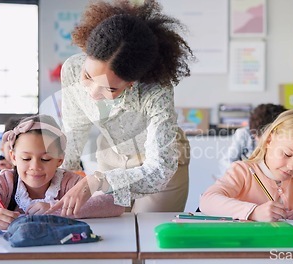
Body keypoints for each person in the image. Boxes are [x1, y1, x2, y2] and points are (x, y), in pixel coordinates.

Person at [49, 0, 194, 215]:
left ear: (132, 82)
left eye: (109, 89)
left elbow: (160, 167)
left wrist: (97, 181)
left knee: (147, 236)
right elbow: (75, 129)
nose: (93, 94)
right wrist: (57, 183)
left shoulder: (156, 90)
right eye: (88, 76)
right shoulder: (72, 68)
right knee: (109, 235)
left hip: (160, 169)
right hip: (112, 159)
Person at [0, 115, 124, 229]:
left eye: (46, 159)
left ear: (59, 160)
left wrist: (55, 210)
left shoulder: (68, 183)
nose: (35, 167)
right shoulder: (5, 182)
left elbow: (115, 203)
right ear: (13, 157)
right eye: (26, 159)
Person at [200, 109, 293, 222]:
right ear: (269, 140)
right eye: (287, 154)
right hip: (247, 247)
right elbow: (208, 201)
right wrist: (254, 212)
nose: (292, 167)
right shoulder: (243, 171)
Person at [219, 104, 287, 176]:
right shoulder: (243, 134)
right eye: (258, 138)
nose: (265, 144)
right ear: (253, 133)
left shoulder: (284, 137)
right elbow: (227, 161)